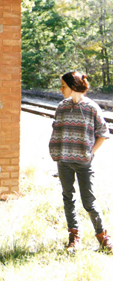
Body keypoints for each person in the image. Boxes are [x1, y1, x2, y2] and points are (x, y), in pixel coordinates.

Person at [49, 71, 112, 253]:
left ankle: (103, 238)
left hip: (84, 163)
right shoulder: (62, 107)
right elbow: (57, 132)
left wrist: (90, 154)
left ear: (73, 87)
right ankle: (73, 238)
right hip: (64, 162)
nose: (61, 89)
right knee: (68, 198)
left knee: (89, 202)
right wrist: (56, 154)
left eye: (63, 86)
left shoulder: (92, 108)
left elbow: (103, 133)